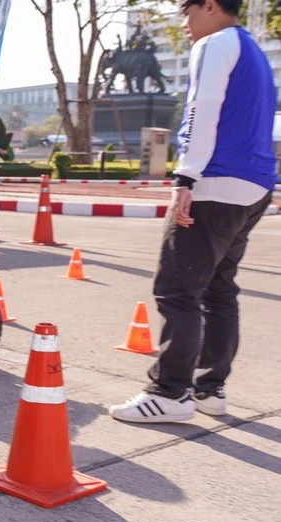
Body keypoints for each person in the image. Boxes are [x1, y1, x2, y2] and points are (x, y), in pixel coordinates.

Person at [109, 0, 275, 424]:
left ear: (211, 7)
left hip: (214, 182)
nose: (184, 23)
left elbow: (203, 108)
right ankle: (209, 388)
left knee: (178, 289)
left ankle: (170, 393)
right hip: (254, 184)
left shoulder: (215, 44)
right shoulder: (253, 51)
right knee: (219, 289)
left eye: (188, 12)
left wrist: (186, 177)